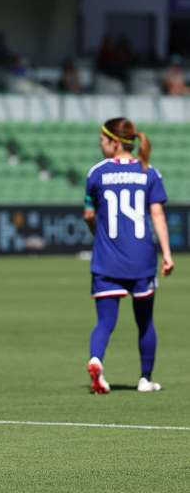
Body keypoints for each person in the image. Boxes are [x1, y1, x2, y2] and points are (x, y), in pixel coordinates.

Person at [83, 117, 175, 395]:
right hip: (141, 259)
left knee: (105, 322)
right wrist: (167, 254)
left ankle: (97, 360)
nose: (100, 145)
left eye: (102, 141)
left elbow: (89, 214)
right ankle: (145, 379)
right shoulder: (149, 173)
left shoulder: (97, 173)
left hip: (107, 259)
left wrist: (96, 232)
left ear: (114, 142)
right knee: (145, 321)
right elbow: (157, 215)